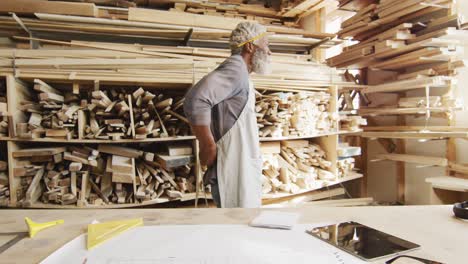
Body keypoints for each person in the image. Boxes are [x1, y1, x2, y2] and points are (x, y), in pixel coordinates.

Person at [183, 21, 272, 208]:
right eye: (266, 45)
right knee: (234, 222)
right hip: (232, 163)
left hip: (240, 161)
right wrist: (207, 144)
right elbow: (195, 100)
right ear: (250, 46)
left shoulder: (242, 73)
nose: (269, 52)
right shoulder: (236, 69)